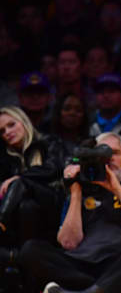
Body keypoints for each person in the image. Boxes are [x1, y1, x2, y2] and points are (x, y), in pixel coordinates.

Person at [18, 132, 121, 293]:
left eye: (114, 153)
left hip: (119, 262)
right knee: (30, 250)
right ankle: (105, 289)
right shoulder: (79, 191)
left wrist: (118, 190)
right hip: (79, 264)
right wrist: (76, 193)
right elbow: (68, 243)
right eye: (102, 153)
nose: (108, 159)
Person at [0, 106, 66, 280]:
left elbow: (54, 169)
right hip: (23, 216)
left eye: (11, 125)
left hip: (52, 203)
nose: (7, 132)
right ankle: (22, 261)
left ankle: (1, 222)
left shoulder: (49, 142)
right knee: (26, 206)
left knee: (22, 184)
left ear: (24, 121)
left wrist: (20, 178)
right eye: (2, 131)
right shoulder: (6, 158)